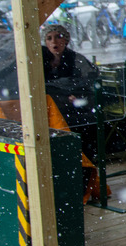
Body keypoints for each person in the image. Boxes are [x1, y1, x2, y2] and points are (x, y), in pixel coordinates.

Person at [42, 23, 100, 157]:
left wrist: (73, 92)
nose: (54, 42)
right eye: (49, 38)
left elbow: (89, 79)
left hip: (76, 105)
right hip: (53, 105)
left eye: (58, 37)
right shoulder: (41, 61)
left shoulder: (76, 59)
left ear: (66, 40)